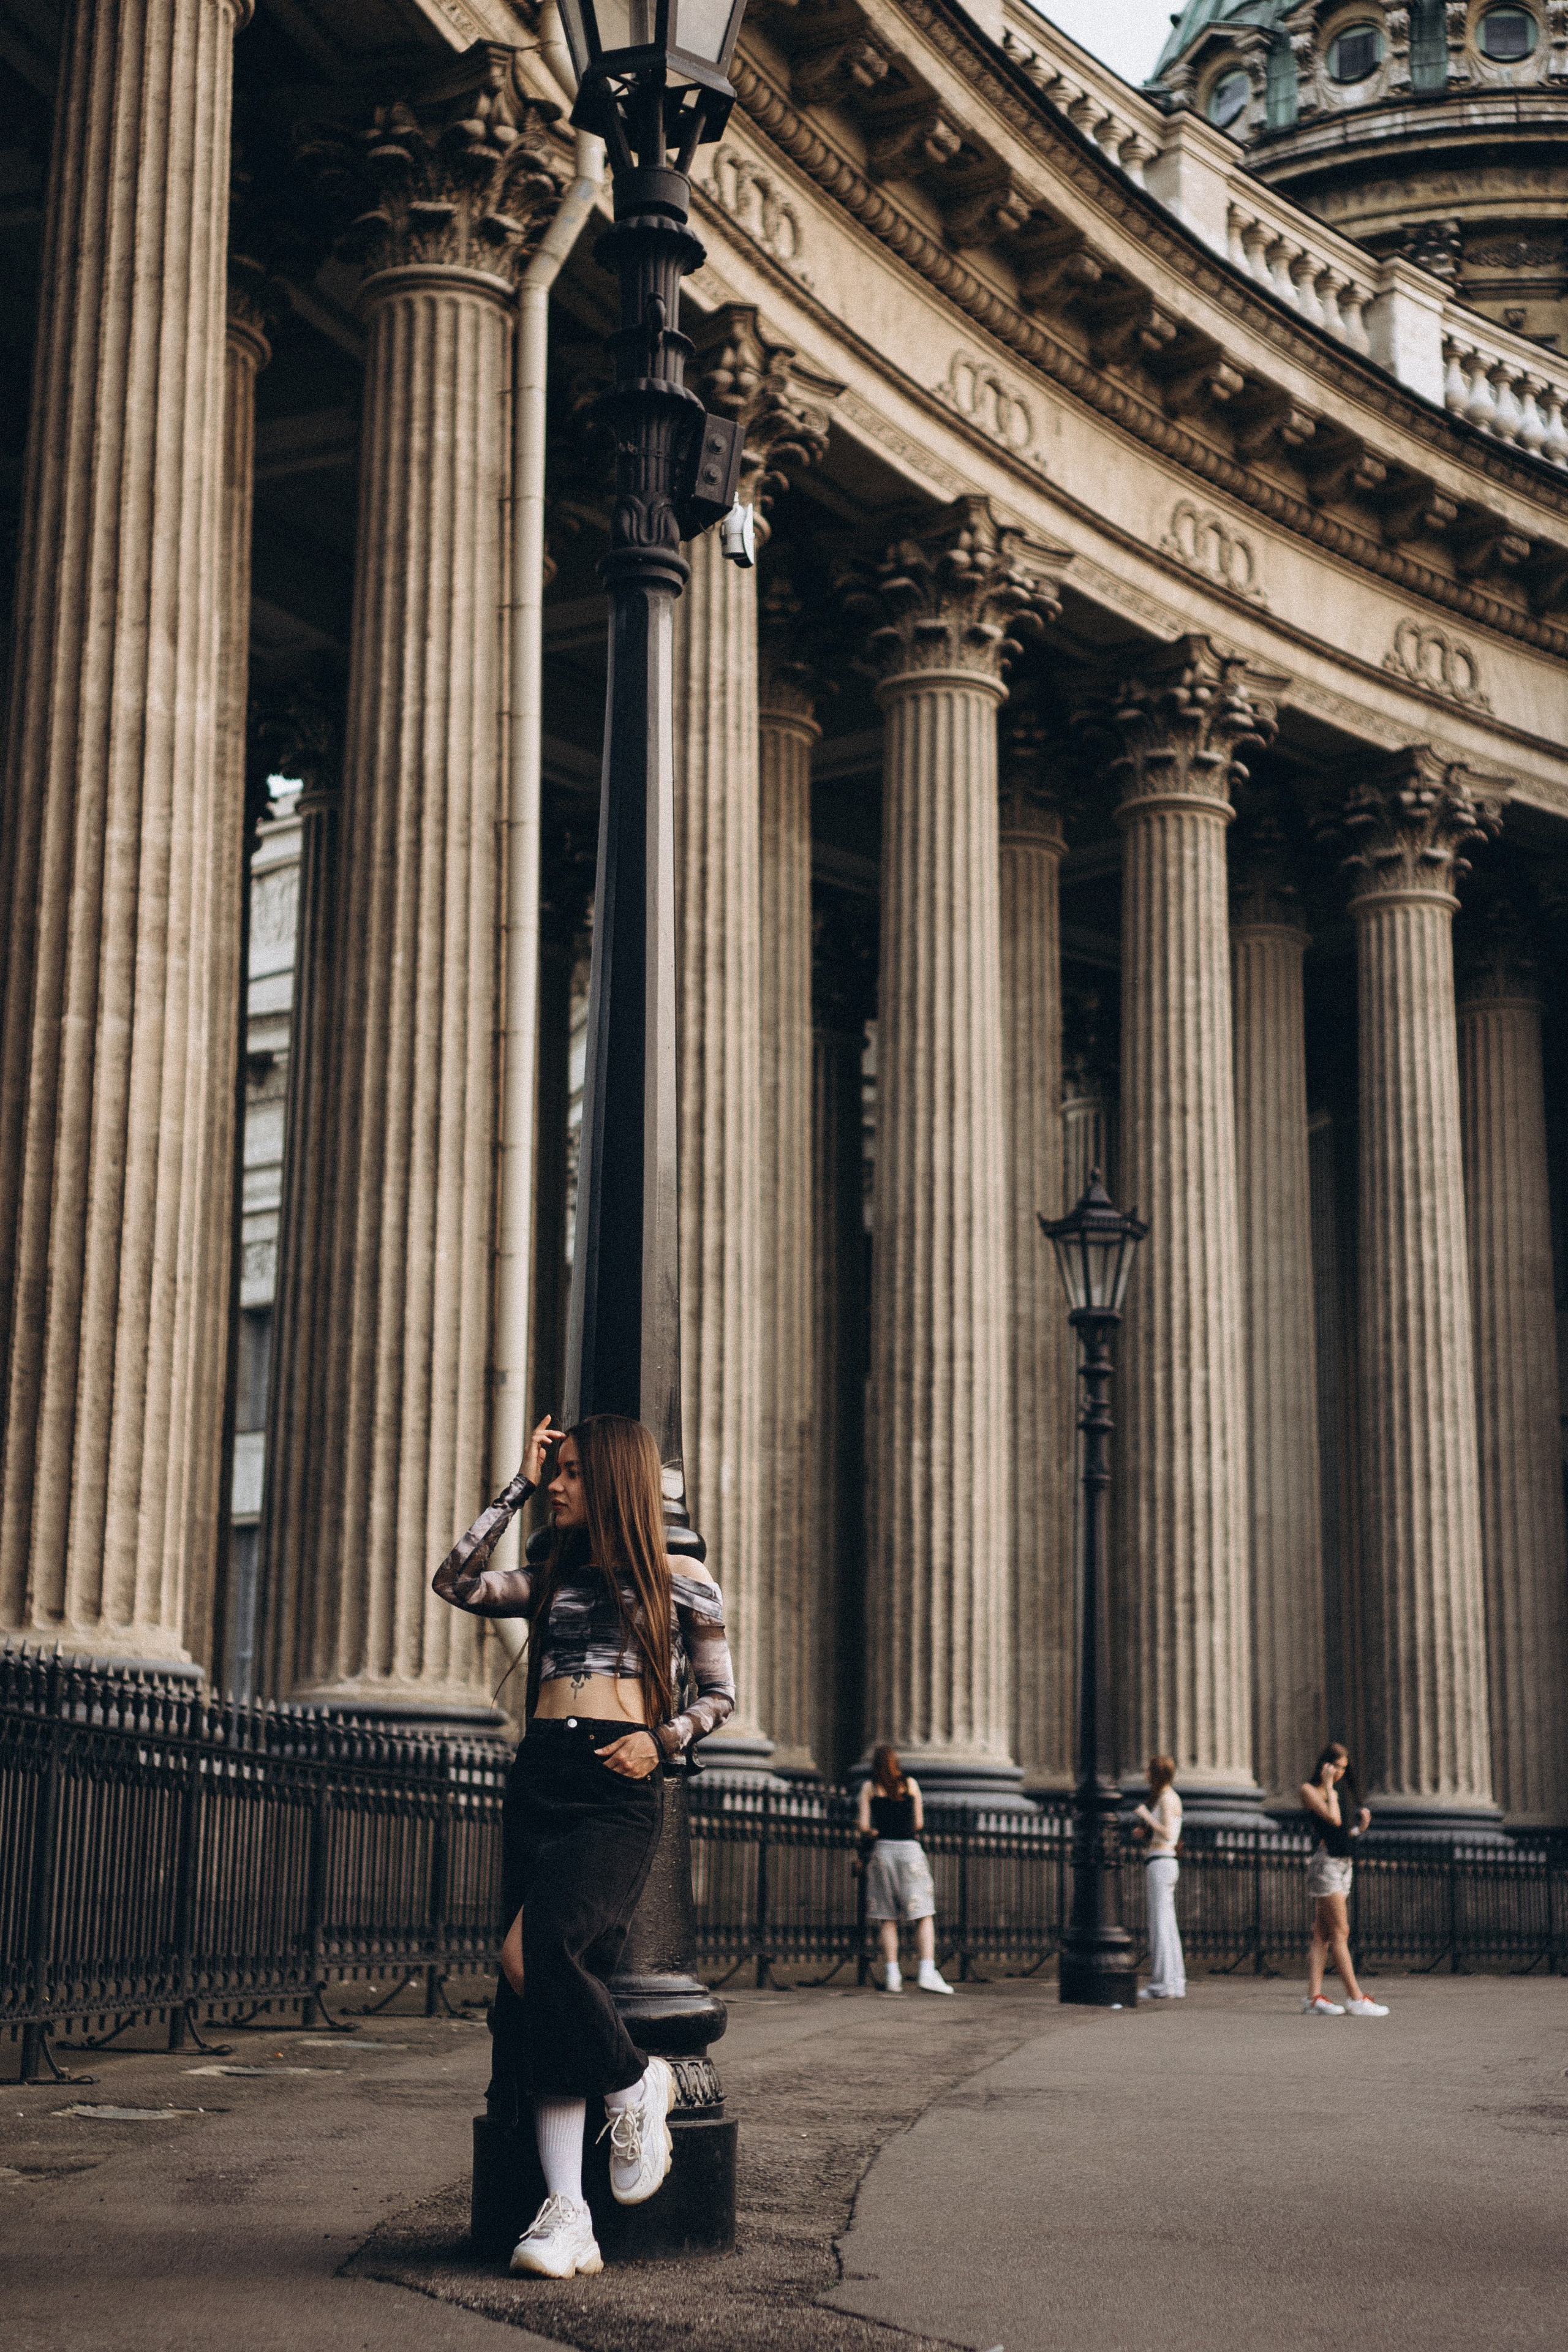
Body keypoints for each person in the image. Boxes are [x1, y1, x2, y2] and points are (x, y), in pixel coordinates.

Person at [432, 1412, 736, 2279]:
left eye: (568, 1473)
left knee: (538, 1954)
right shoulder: (556, 1574)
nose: (558, 1485)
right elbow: (456, 1581)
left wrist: (664, 1739)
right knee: (547, 1993)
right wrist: (517, 1484)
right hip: (543, 1775)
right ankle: (569, 2214)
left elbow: (720, 1695)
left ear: (610, 1481)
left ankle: (636, 2080)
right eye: (554, 1471)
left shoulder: (683, 1579)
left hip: (615, 1781)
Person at [856, 1744, 952, 1994]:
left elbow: (864, 1826)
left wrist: (877, 1831)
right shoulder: (910, 1785)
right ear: (896, 1763)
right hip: (910, 1851)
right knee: (923, 1913)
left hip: (883, 1853)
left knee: (887, 1917)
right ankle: (927, 1971)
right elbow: (918, 1823)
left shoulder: (869, 1788)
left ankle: (892, 1975)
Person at [1302, 1743, 1387, 2018]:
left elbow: (1341, 1834)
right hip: (1325, 1866)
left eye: (1343, 1769)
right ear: (1325, 1765)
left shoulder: (1332, 1792)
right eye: (1336, 1767)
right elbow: (1333, 1819)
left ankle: (1313, 1997)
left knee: (1322, 1934)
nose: (1339, 1773)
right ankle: (1355, 1997)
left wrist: (1359, 1829)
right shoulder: (1311, 1790)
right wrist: (1328, 1788)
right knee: (1341, 1932)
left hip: (1341, 1864)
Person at [1133, 1755, 1185, 2002]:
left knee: (1160, 1924)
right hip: (1166, 1862)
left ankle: (1162, 1984)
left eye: (1148, 1770)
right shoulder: (1172, 1797)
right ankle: (1174, 1982)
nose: (1145, 1773)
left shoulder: (1165, 1798)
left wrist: (1146, 1816)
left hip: (1161, 1861)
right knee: (1167, 1923)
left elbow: (1168, 1833)